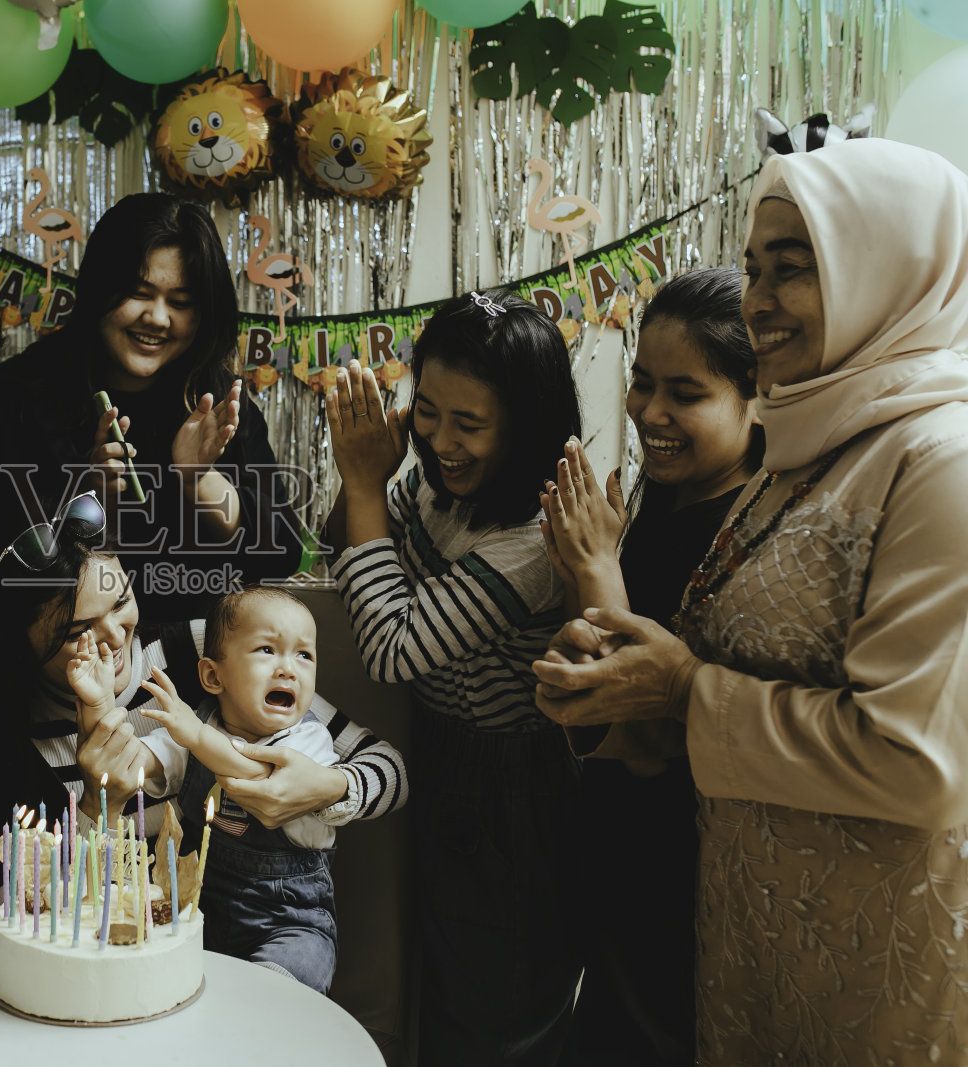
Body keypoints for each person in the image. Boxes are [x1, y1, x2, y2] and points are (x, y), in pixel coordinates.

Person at [533, 139, 968, 1064]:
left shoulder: (941, 460)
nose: (762, 297)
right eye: (753, 266)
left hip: (868, 954)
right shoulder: (805, 446)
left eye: (795, 267)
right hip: (743, 940)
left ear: (883, 269)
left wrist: (681, 688)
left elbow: (919, 764)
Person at [327, 290, 584, 1067]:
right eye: (426, 410)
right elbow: (345, 542)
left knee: (494, 1012)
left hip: (513, 787)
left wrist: (369, 485)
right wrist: (367, 477)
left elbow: (392, 646)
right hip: (435, 751)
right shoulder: (438, 484)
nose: (439, 440)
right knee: (433, 997)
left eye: (469, 424)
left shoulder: (537, 536)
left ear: (528, 424)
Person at [0, 494, 404, 890]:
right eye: (76, 633)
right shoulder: (7, 744)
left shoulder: (204, 651)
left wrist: (330, 787)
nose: (114, 637)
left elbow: (390, 769)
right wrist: (96, 806)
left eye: (121, 601)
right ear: (21, 644)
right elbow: (31, 908)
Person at [537, 269, 761, 1066]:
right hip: (617, 862)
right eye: (641, 383)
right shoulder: (662, 504)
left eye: (685, 393)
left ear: (755, 399)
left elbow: (656, 728)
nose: (649, 412)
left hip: (683, 877)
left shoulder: (752, 535)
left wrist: (596, 569)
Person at [0, 193, 303, 622]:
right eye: (139, 293)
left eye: (181, 303)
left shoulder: (216, 401)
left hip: (193, 667)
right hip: (52, 666)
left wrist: (201, 480)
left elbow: (282, 552)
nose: (157, 318)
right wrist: (89, 504)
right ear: (100, 289)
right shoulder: (13, 395)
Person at [67, 587, 339, 993]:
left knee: (277, 989)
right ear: (213, 676)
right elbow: (125, 763)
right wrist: (98, 702)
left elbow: (261, 776)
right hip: (198, 914)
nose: (289, 669)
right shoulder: (197, 731)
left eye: (305, 655)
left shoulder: (308, 741)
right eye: (267, 650)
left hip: (288, 922)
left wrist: (194, 735)